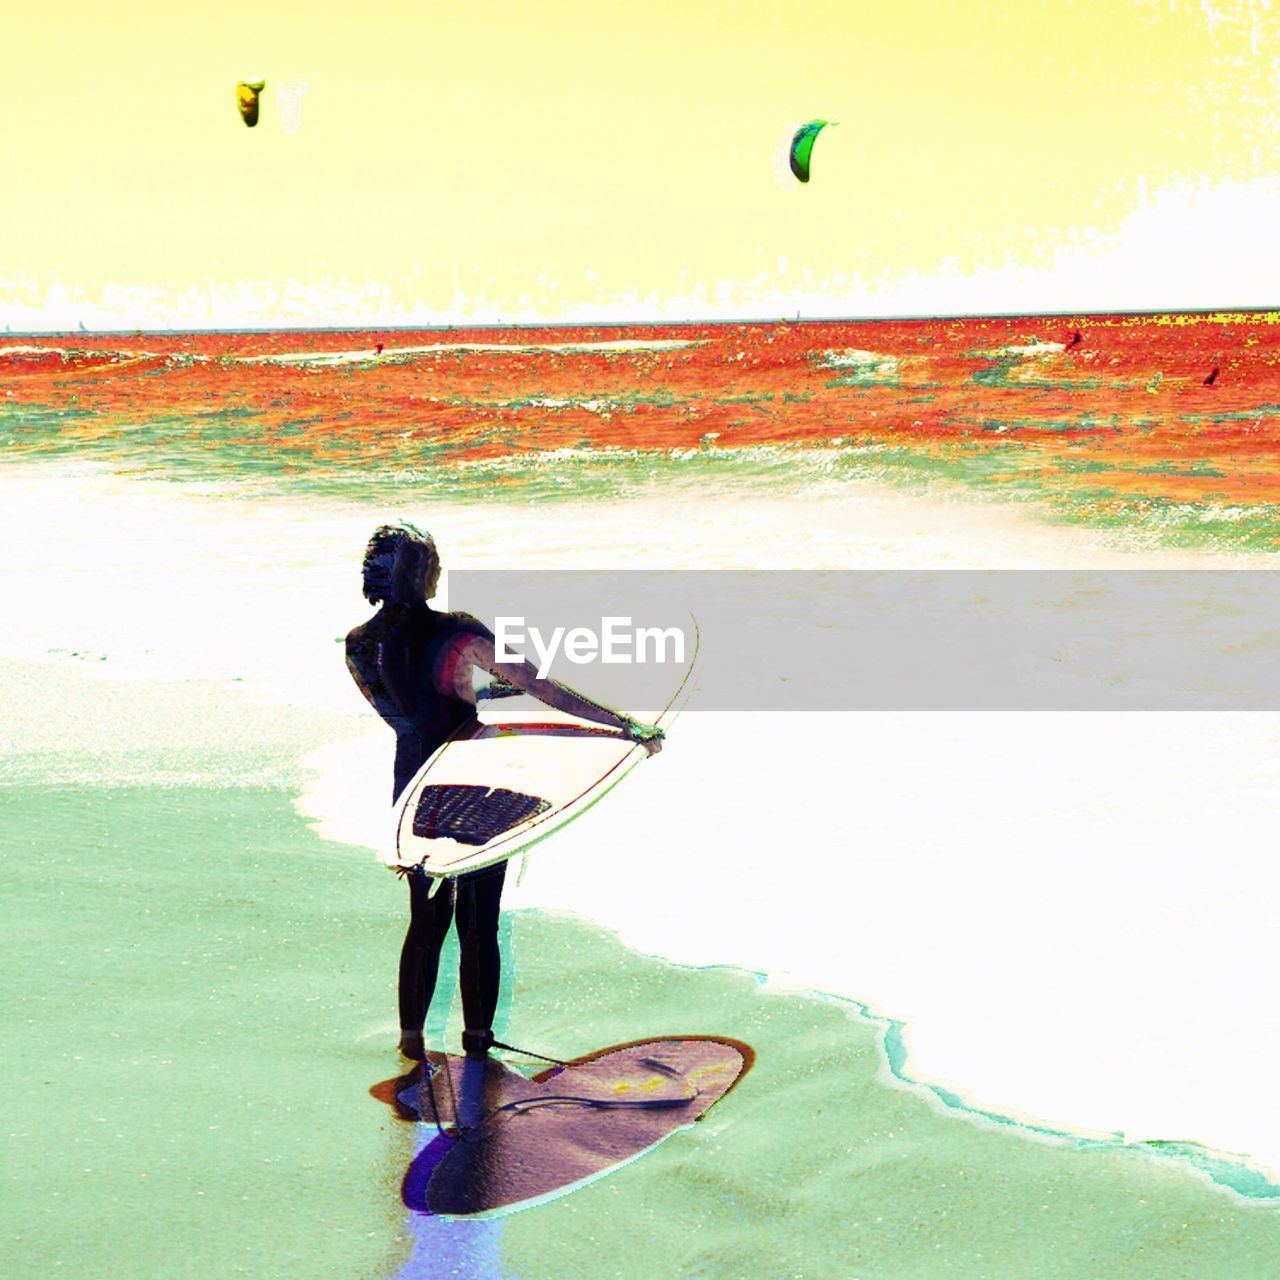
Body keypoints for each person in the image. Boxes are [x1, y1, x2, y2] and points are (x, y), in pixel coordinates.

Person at [345, 522, 662, 1062]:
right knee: (478, 919)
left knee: (425, 919)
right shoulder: (456, 630)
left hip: (415, 784)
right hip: (471, 775)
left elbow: (409, 712)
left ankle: (411, 1042)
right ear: (421, 573)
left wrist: (474, 692)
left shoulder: (359, 644)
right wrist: (621, 725)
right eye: (434, 563)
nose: (440, 571)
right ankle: (476, 1043)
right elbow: (535, 684)